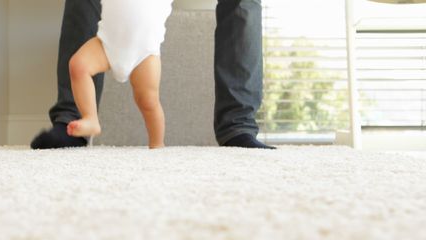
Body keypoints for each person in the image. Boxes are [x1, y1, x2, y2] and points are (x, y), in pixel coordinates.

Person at [31, 0, 275, 150]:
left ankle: (237, 125)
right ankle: (78, 119)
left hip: (144, 45)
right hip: (108, 38)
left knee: (148, 99)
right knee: (79, 66)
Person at [67, 0, 173, 149]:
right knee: (78, 66)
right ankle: (91, 118)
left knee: (148, 101)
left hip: (145, 53)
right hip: (107, 43)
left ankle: (157, 143)